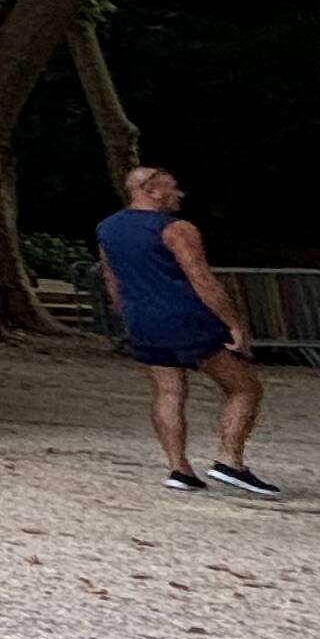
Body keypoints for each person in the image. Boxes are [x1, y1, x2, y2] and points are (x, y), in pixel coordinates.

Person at [93, 166, 275, 497]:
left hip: (143, 320)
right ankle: (229, 460)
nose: (179, 194)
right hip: (185, 318)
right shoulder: (177, 229)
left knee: (169, 392)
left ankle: (179, 468)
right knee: (244, 388)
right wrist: (234, 323)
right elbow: (202, 280)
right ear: (153, 190)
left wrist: (128, 314)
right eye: (174, 188)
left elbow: (111, 279)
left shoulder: (107, 228)